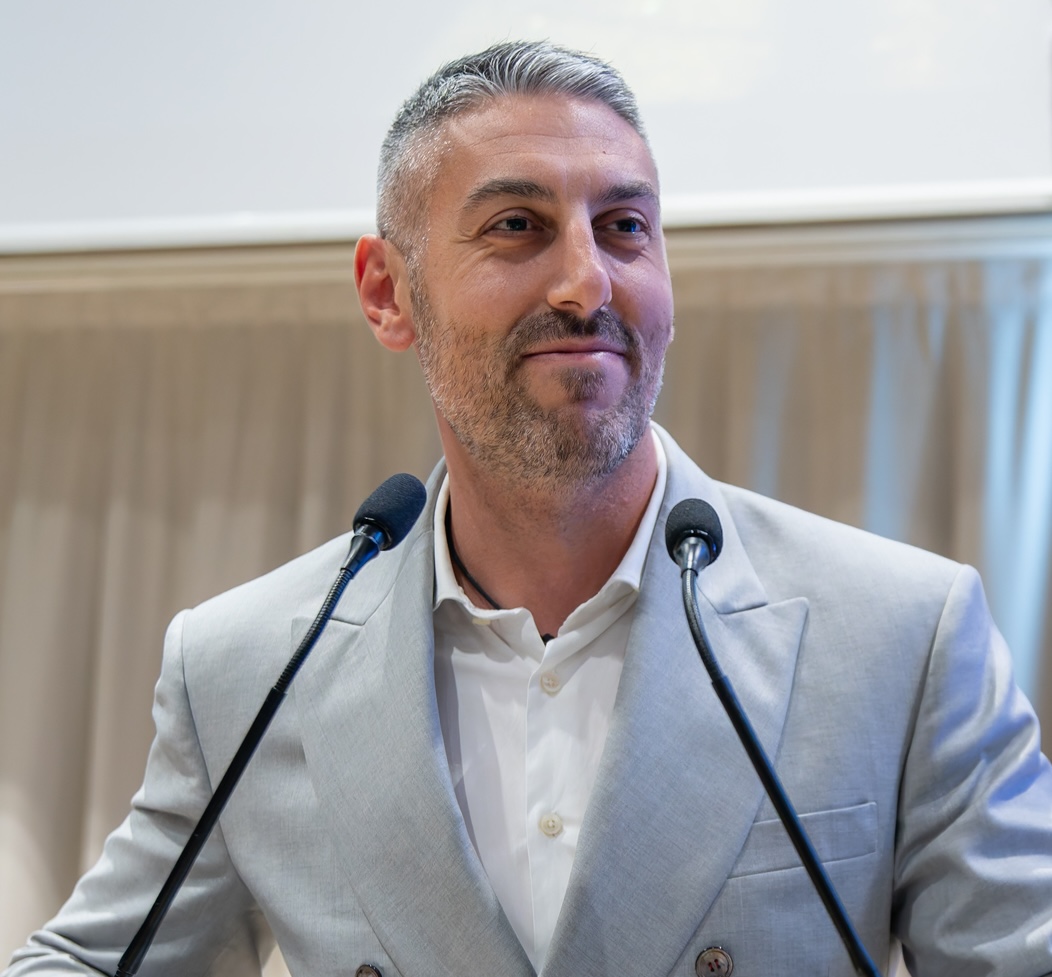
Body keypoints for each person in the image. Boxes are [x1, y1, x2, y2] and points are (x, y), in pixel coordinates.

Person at [6, 40, 1052, 977]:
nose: (585, 282)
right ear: (386, 293)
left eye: (624, 226)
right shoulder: (245, 666)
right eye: (517, 226)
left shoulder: (901, 635)